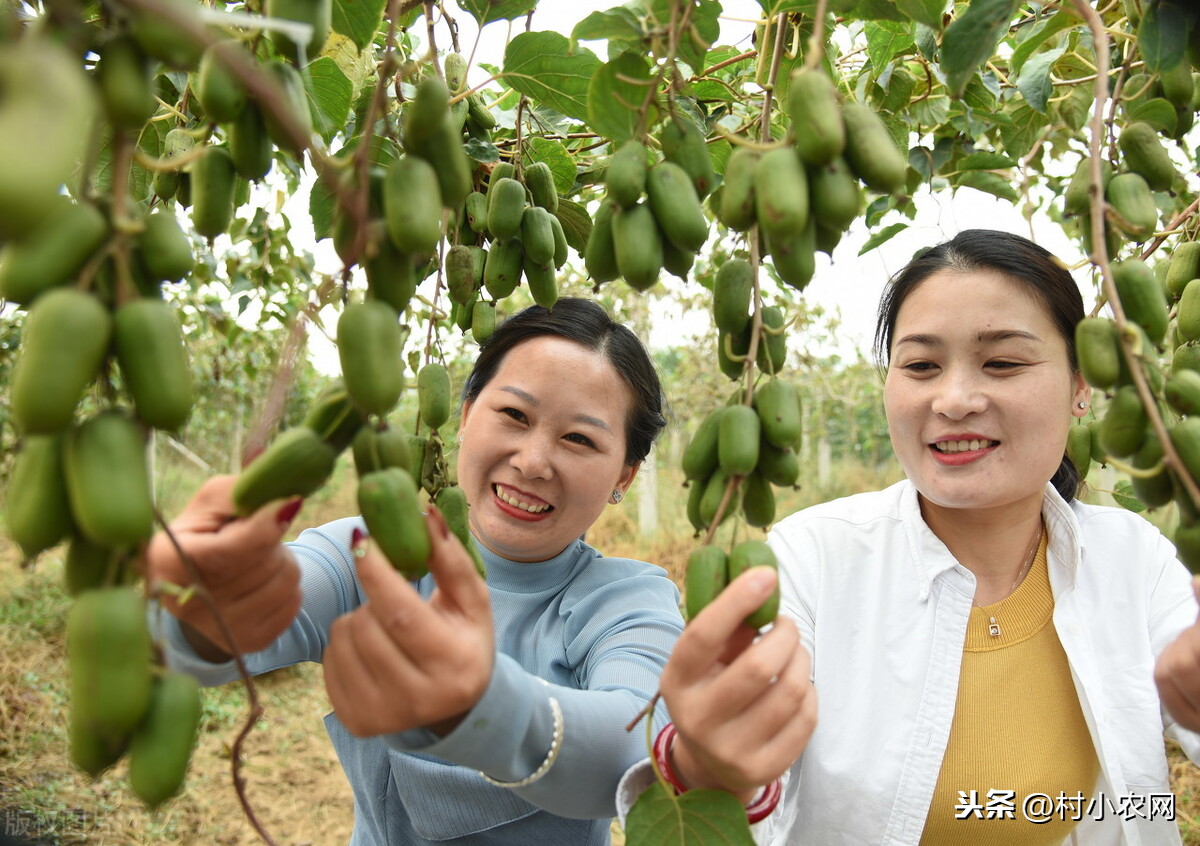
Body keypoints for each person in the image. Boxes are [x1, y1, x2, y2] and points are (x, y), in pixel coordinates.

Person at [623, 229, 1200, 844]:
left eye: (1002, 362)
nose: (952, 401)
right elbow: (740, 774)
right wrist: (705, 770)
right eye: (921, 366)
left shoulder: (1136, 560)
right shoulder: (810, 560)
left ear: (1081, 387)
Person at [146, 297, 684, 845]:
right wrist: (201, 607)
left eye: (579, 439)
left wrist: (480, 705)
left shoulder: (627, 601)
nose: (532, 462)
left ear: (626, 473)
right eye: (514, 415)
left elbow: (640, 749)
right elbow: (244, 614)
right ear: (468, 414)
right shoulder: (369, 556)